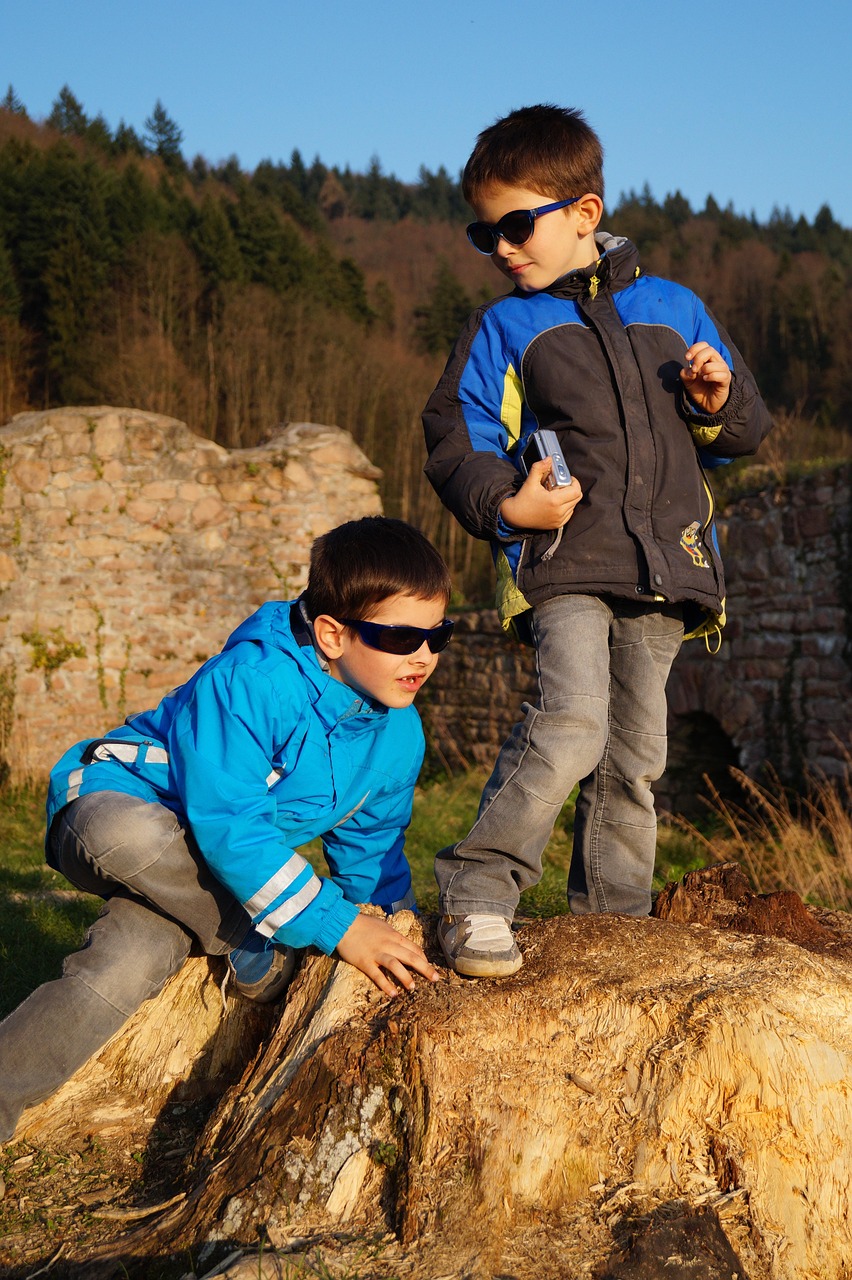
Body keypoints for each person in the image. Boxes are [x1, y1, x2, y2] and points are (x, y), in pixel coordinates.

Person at [422, 105, 773, 978]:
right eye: (483, 232)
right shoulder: (504, 328)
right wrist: (511, 506)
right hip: (565, 563)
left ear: (584, 212)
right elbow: (454, 439)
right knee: (572, 725)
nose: (500, 247)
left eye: (515, 224)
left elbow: (746, 429)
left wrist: (714, 398)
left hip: (666, 569)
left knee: (635, 757)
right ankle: (476, 897)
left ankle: (612, 929)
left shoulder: (675, 306)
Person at [0, 516, 451, 1141]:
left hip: (210, 872)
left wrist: (397, 934)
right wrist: (336, 926)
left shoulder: (398, 735)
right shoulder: (250, 683)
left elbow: (371, 851)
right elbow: (230, 825)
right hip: (116, 807)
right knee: (127, 836)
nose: (423, 656)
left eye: (438, 635)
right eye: (399, 638)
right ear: (331, 634)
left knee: (127, 960)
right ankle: (257, 945)